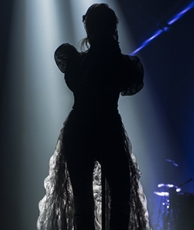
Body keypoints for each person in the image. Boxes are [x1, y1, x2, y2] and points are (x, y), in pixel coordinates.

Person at [37, 3, 150, 230]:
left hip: (84, 129)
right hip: (101, 129)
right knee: (110, 202)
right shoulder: (98, 63)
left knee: (90, 205)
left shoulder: (87, 62)